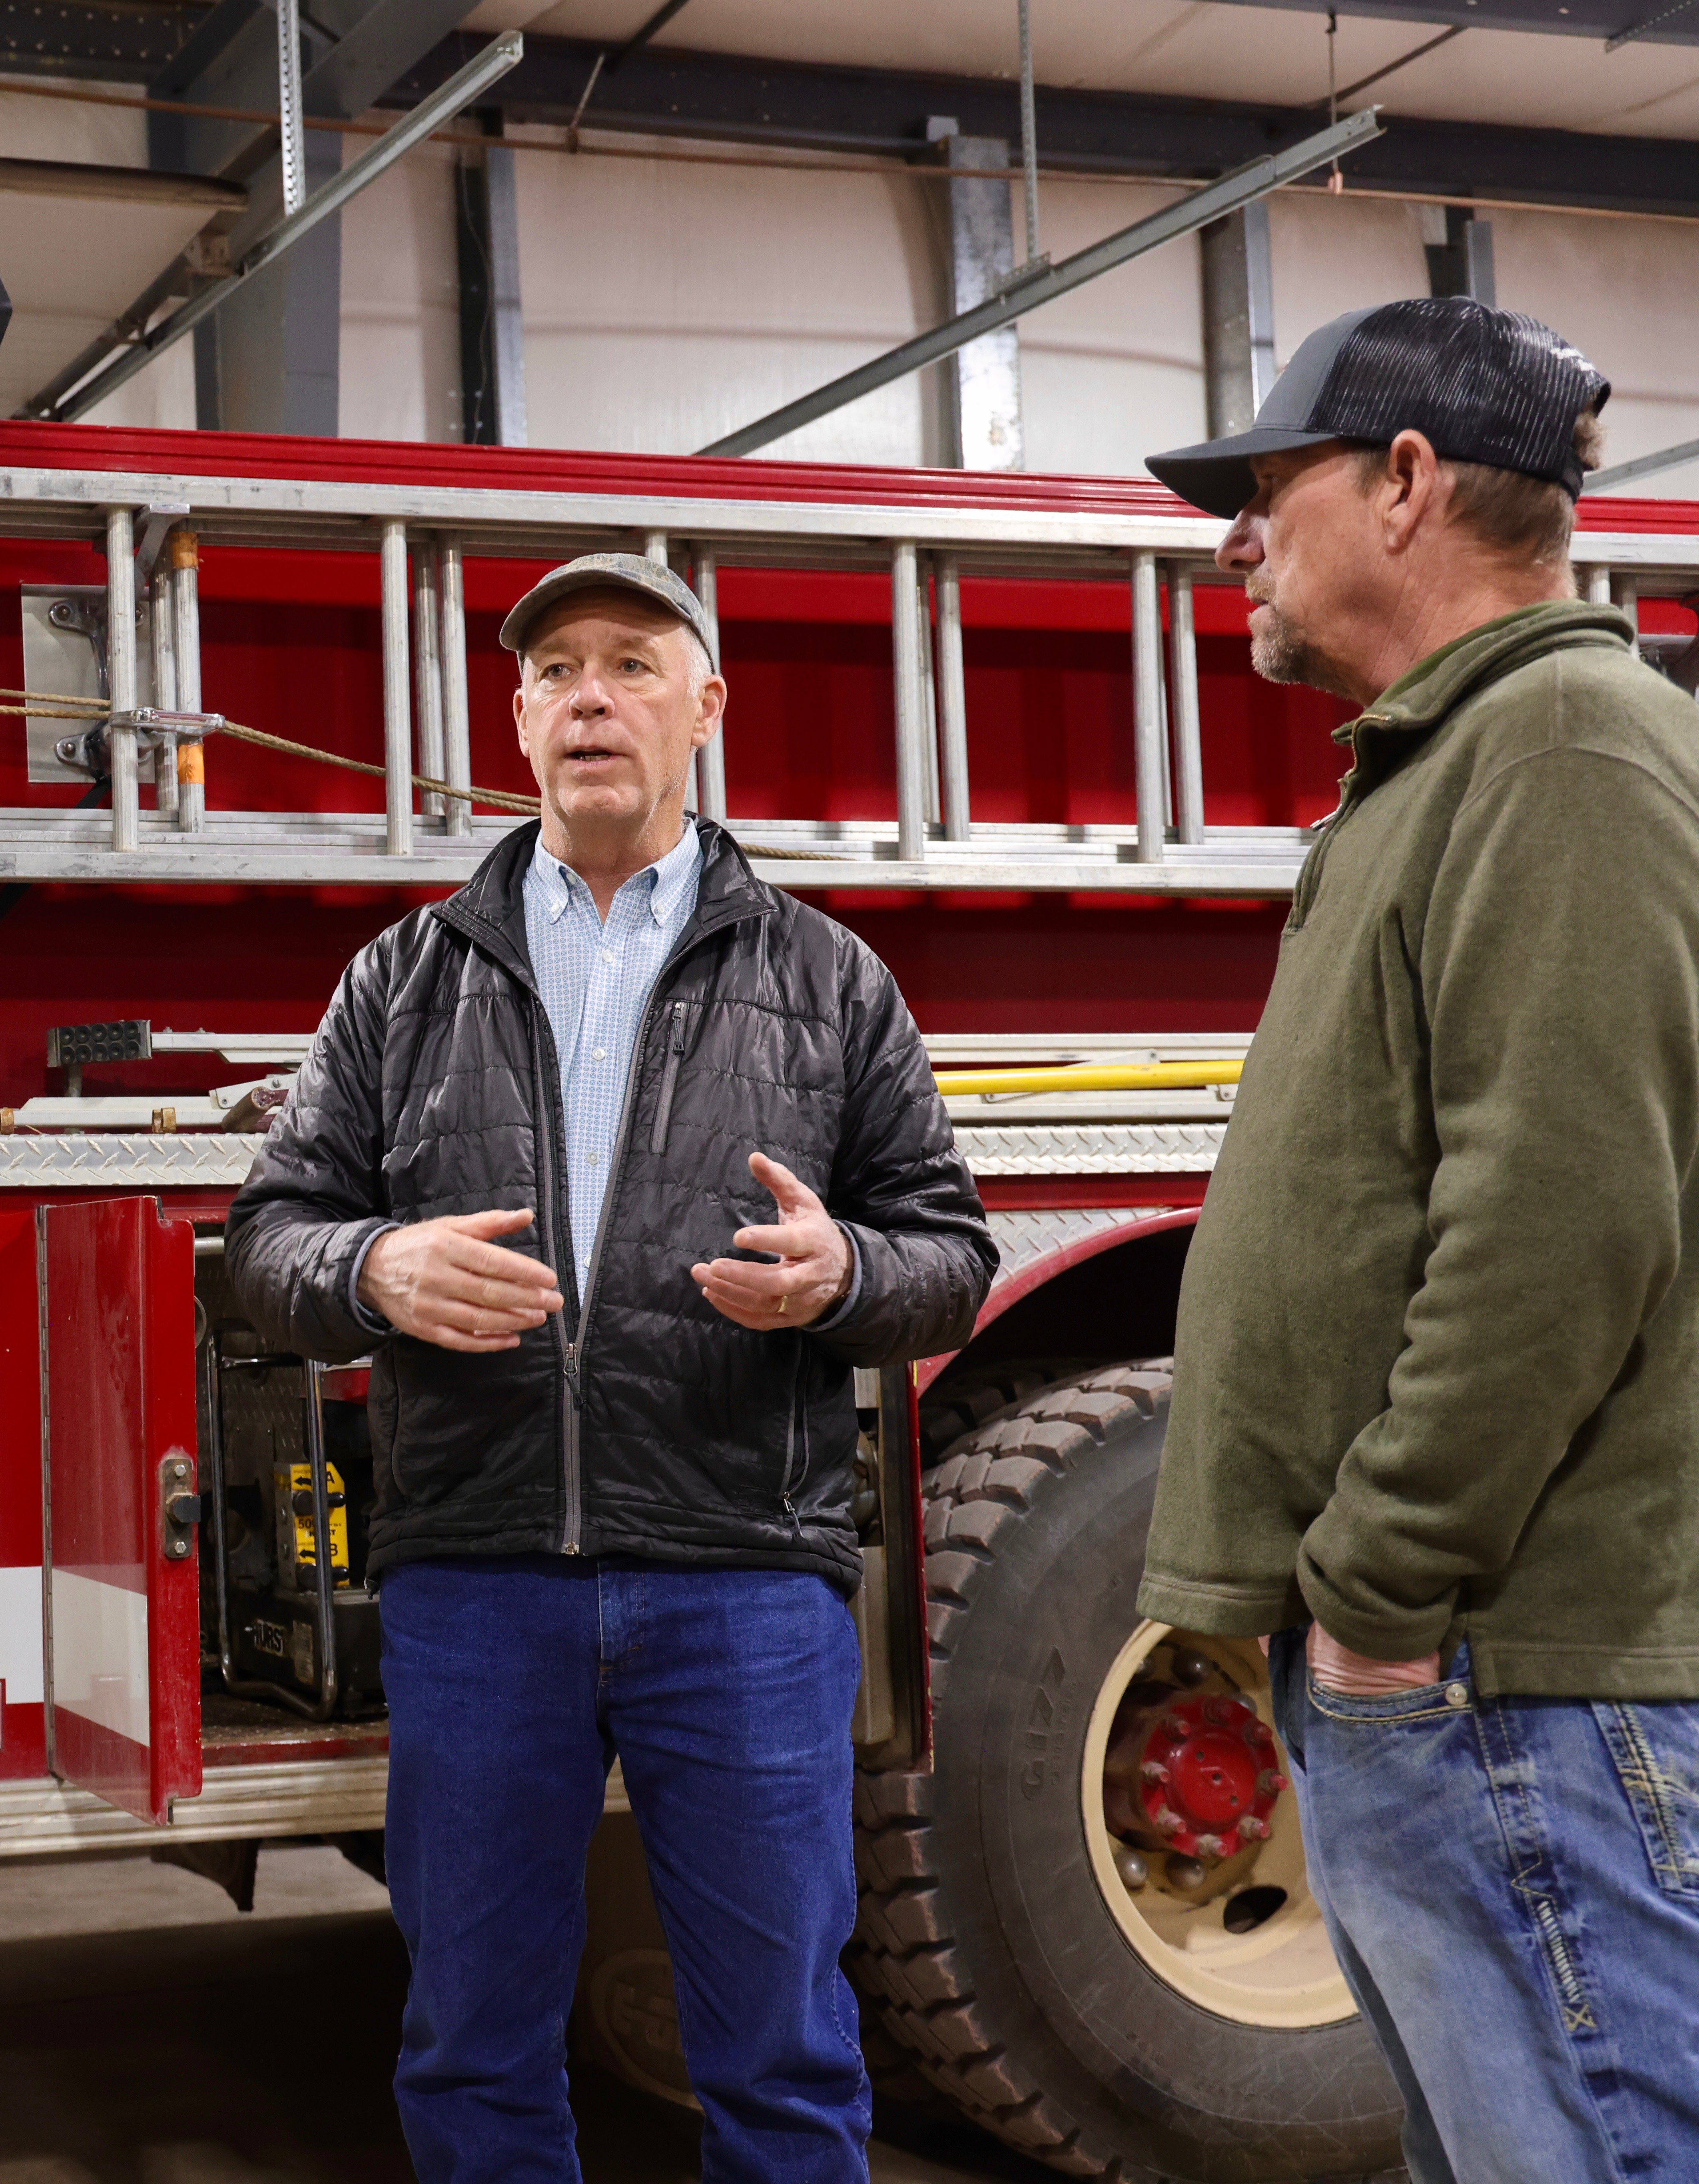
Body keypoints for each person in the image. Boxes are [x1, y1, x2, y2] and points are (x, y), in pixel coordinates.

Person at [226, 553, 996, 2180]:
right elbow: (265, 1246)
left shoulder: (821, 976)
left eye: (633, 665)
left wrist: (847, 1273)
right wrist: (371, 1263)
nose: (591, 693)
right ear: (515, 719)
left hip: (740, 1579)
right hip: (477, 1586)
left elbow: (948, 1260)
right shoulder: (402, 978)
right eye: (558, 668)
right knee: (470, 2047)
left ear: (701, 709)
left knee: (781, 2054)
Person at [1141, 298, 1699, 2178]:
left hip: (1506, 1669)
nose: (1232, 538)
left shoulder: (1558, 746)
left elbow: (1558, 1224)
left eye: (1261, 489)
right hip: (1452, 1671)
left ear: (1399, 484)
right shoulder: (1449, 755)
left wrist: (1379, 1594)